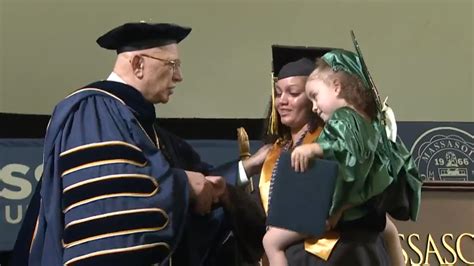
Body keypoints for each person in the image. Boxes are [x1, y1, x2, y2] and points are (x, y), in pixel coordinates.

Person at [11, 22, 267, 266]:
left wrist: (248, 168)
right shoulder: (92, 111)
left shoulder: (146, 130)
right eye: (172, 65)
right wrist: (183, 185)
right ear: (138, 64)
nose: (179, 76)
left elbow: (200, 179)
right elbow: (114, 200)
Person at [262, 48, 421, 265]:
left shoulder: (340, 123)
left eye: (296, 93)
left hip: (337, 243)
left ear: (336, 87)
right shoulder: (369, 123)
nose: (282, 101)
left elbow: (343, 150)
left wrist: (315, 149)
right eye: (278, 93)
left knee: (271, 242)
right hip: (346, 213)